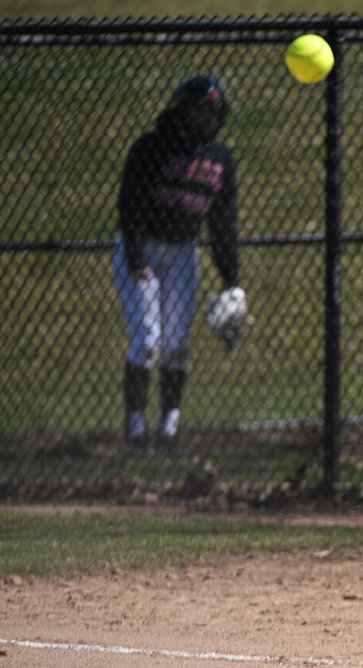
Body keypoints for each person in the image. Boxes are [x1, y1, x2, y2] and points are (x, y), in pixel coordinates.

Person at [113, 74, 240, 453]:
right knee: (147, 343)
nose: (205, 121)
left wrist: (232, 281)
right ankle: (136, 430)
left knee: (177, 346)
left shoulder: (220, 160)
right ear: (180, 111)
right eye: (198, 113)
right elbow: (129, 204)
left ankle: (169, 429)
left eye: (211, 115)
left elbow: (222, 223)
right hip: (143, 251)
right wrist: (135, 258)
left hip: (184, 253)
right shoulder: (151, 148)